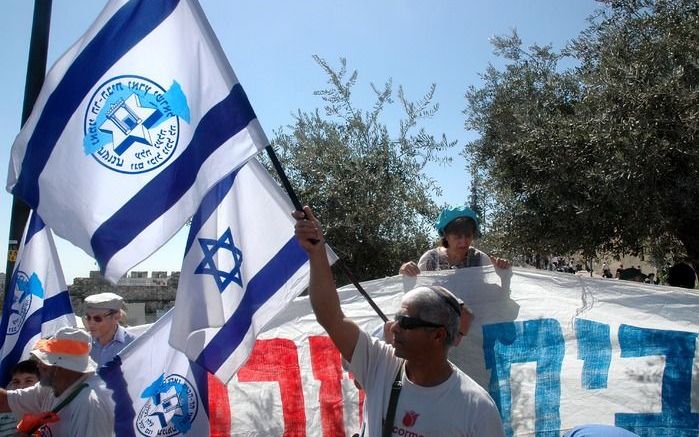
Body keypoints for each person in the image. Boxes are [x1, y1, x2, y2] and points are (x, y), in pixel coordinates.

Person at [294, 206, 505, 436]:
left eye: (407, 322)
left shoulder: (479, 410)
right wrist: (316, 253)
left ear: (439, 335)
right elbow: (331, 316)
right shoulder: (379, 365)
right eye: (397, 319)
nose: (393, 328)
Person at [0, 327, 115, 436]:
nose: (38, 364)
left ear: (61, 367)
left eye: (45, 360)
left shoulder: (88, 405)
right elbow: (4, 401)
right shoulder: (49, 388)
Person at [399, 206, 510, 276]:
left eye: (468, 235)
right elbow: (415, 291)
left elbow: (498, 294)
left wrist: (502, 271)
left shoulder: (481, 259)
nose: (464, 241)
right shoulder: (430, 260)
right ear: (445, 236)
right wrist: (405, 272)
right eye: (457, 236)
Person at [83, 292, 135, 367]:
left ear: (116, 317)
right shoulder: (82, 343)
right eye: (88, 317)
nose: (91, 323)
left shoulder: (133, 344)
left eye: (97, 318)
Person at [0, 360, 39, 436]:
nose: (21, 387)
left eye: (28, 381)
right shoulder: (3, 414)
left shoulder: (47, 409)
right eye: (16, 382)